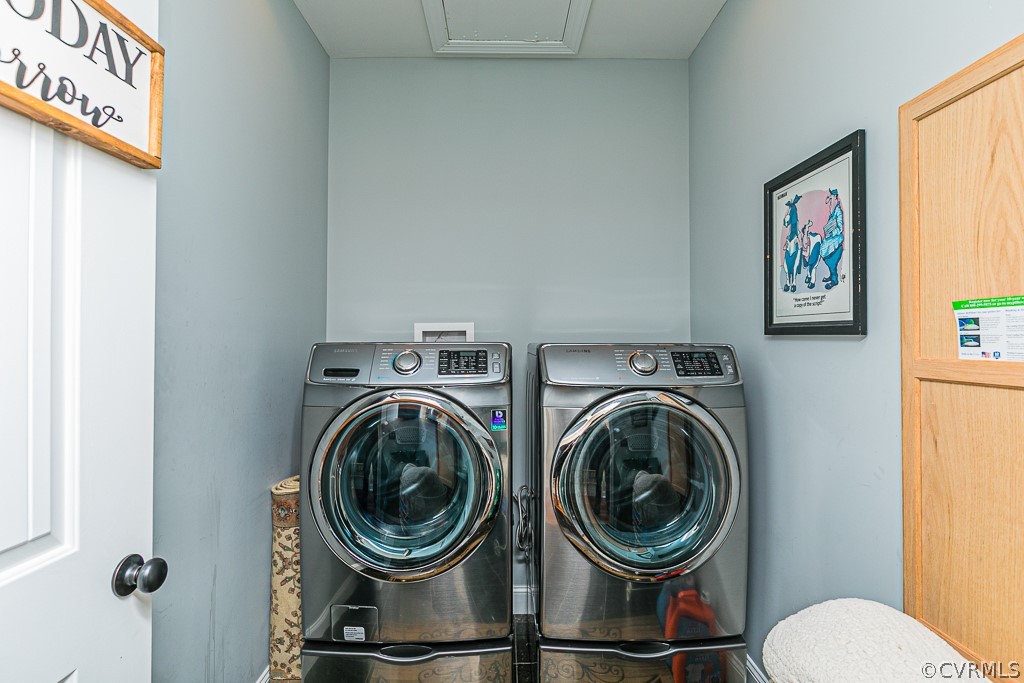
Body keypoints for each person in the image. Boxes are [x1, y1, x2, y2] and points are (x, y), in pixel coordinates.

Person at [820, 188, 844, 290]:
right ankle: (831, 275)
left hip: (836, 240)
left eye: (831, 196)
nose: (829, 198)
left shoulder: (838, 211)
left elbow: (840, 228)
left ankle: (834, 279)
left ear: (835, 196)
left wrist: (831, 234)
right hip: (830, 239)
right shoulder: (832, 210)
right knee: (824, 254)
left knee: (831, 261)